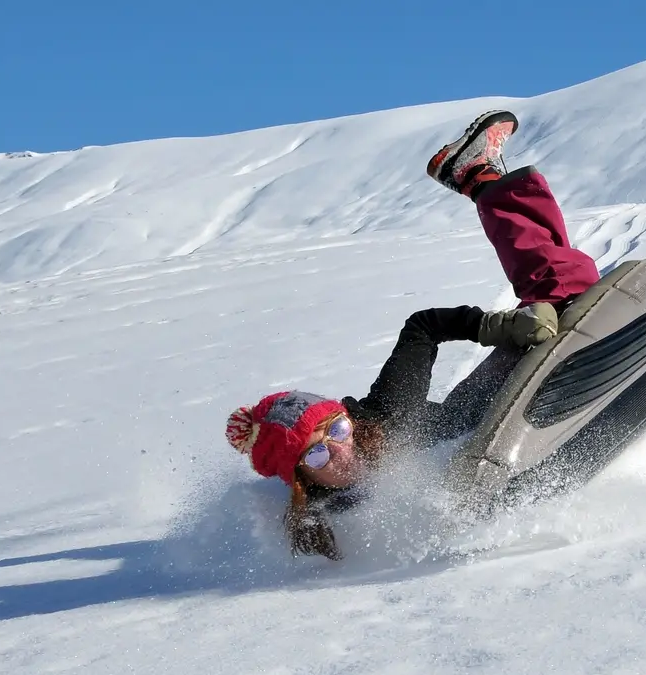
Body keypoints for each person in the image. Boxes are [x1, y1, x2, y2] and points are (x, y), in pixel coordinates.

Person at [223, 110, 601, 558]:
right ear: (304, 482)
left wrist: (500, 327)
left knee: (566, 294)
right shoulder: (321, 517)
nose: (341, 452)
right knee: (569, 289)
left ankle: (476, 173)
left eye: (338, 429)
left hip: (493, 405)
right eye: (319, 456)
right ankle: (479, 175)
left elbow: (424, 327)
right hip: (493, 446)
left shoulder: (387, 415)